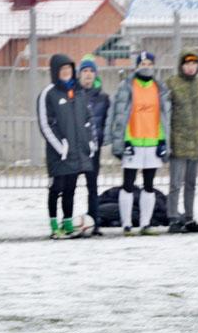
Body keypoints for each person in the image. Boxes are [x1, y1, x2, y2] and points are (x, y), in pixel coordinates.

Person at [106, 51, 171, 235]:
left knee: (149, 185)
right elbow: (119, 115)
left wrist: (162, 141)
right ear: (136, 66)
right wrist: (122, 140)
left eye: (149, 63)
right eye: (142, 63)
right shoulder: (127, 87)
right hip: (132, 142)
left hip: (152, 142)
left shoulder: (160, 88)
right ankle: (126, 224)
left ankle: (145, 224)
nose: (146, 66)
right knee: (128, 184)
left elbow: (164, 117)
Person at [36, 53, 94, 239]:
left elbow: (87, 121)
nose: (66, 72)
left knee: (71, 188)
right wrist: (61, 147)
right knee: (56, 189)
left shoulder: (78, 92)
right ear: (55, 72)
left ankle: (67, 223)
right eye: (62, 69)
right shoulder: (48, 93)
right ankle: (54, 225)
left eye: (69, 68)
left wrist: (90, 141)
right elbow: (45, 124)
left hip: (76, 153)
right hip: (58, 155)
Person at [165, 49, 198, 233]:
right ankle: (173, 217)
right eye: (187, 64)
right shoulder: (172, 84)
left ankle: (189, 217)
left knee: (191, 183)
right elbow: (166, 114)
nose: (191, 67)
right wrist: (167, 141)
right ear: (181, 65)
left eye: (194, 64)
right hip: (178, 142)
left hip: (197, 142)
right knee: (175, 183)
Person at [76, 54, 110, 236]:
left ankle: (94, 221)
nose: (88, 74)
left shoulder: (103, 98)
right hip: (75, 149)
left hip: (93, 149)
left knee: (92, 186)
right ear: (79, 74)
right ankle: (69, 221)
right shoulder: (73, 94)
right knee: (68, 187)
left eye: (91, 71)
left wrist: (100, 138)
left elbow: (106, 121)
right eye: (85, 71)